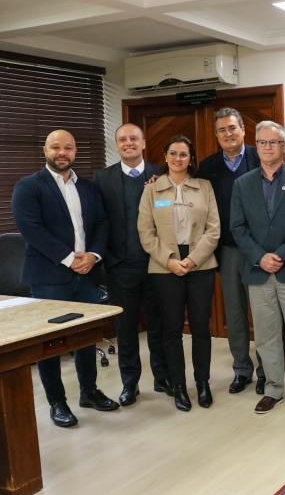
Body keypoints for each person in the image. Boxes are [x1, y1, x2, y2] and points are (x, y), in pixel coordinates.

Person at [11, 129, 118, 427]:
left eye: (68, 148)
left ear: (74, 152)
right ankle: (57, 402)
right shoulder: (29, 186)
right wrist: (71, 259)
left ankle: (90, 392)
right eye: (56, 147)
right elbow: (31, 229)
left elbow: (101, 223)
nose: (62, 152)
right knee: (51, 343)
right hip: (49, 276)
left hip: (88, 273)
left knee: (86, 336)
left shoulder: (89, 187)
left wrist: (93, 255)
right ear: (44, 149)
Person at [230, 121, 285, 416]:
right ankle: (273, 389)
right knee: (265, 336)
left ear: (283, 146)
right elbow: (238, 228)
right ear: (257, 147)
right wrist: (260, 257)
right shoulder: (242, 184)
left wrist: (281, 255)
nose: (268, 147)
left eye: (274, 142)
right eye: (263, 143)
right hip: (257, 271)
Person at [138, 136, 220, 412]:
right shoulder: (152, 190)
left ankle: (203, 383)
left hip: (201, 265)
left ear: (191, 159)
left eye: (184, 154)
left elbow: (213, 229)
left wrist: (193, 260)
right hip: (164, 268)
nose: (177, 158)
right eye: (173, 153)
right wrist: (170, 260)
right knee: (171, 329)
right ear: (165, 156)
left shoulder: (205, 187)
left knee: (200, 328)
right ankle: (178, 386)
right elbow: (145, 232)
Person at [94, 124, 171, 406]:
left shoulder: (161, 173)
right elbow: (97, 221)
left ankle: (162, 379)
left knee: (159, 327)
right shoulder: (102, 178)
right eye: (123, 139)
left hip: (158, 264)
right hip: (120, 267)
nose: (129, 143)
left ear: (143, 143)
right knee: (125, 329)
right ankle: (130, 384)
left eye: (134, 138)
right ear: (117, 145)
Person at [197, 108, 265, 395]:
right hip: (227, 251)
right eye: (222, 130)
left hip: (260, 250)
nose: (228, 133)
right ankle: (242, 370)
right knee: (235, 314)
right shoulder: (208, 166)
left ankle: (267, 371)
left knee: (263, 315)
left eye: (233, 128)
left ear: (243, 130)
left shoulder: (261, 155)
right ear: (216, 135)